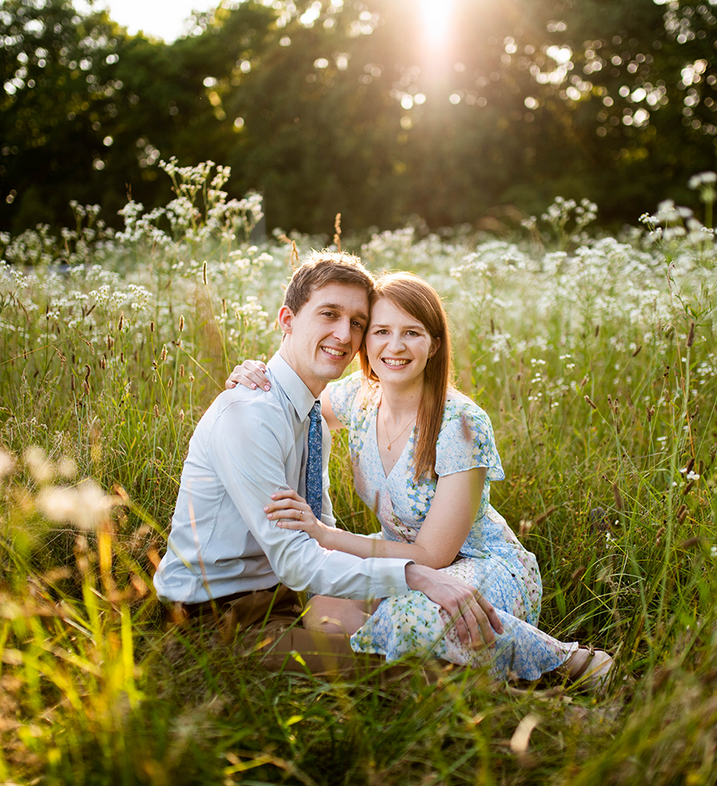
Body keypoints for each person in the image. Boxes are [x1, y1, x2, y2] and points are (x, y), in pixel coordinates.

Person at [227, 271, 613, 688]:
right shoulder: (357, 396)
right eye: (381, 332)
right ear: (365, 342)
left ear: (434, 344)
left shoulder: (461, 422)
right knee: (324, 616)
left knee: (408, 620)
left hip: (477, 565)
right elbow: (296, 390)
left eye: (411, 332)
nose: (395, 346)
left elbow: (432, 556)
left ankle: (570, 663)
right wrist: (256, 372)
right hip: (399, 560)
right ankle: (454, 670)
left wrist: (324, 534)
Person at [153, 251, 504, 675]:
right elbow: (296, 558)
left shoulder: (310, 412)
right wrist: (416, 575)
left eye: (357, 322)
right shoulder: (252, 414)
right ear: (287, 319)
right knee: (397, 669)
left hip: (280, 601)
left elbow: (318, 536)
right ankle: (549, 700)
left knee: (399, 634)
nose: (343, 334)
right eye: (329, 314)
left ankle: (553, 664)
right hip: (215, 618)